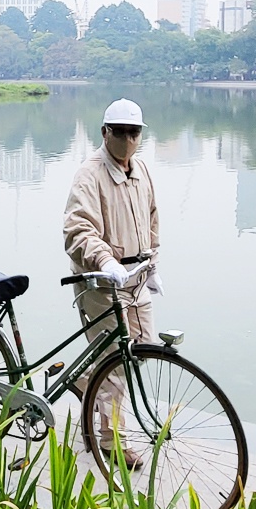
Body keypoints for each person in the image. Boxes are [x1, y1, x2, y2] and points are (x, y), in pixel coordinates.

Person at [62, 96, 163, 345]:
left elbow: (152, 221)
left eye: (133, 132)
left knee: (145, 347)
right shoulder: (90, 174)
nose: (127, 139)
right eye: (119, 131)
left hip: (137, 280)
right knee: (115, 359)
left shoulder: (141, 170)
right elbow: (78, 230)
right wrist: (105, 261)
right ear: (104, 132)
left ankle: (91, 381)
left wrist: (152, 267)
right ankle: (102, 372)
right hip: (103, 285)